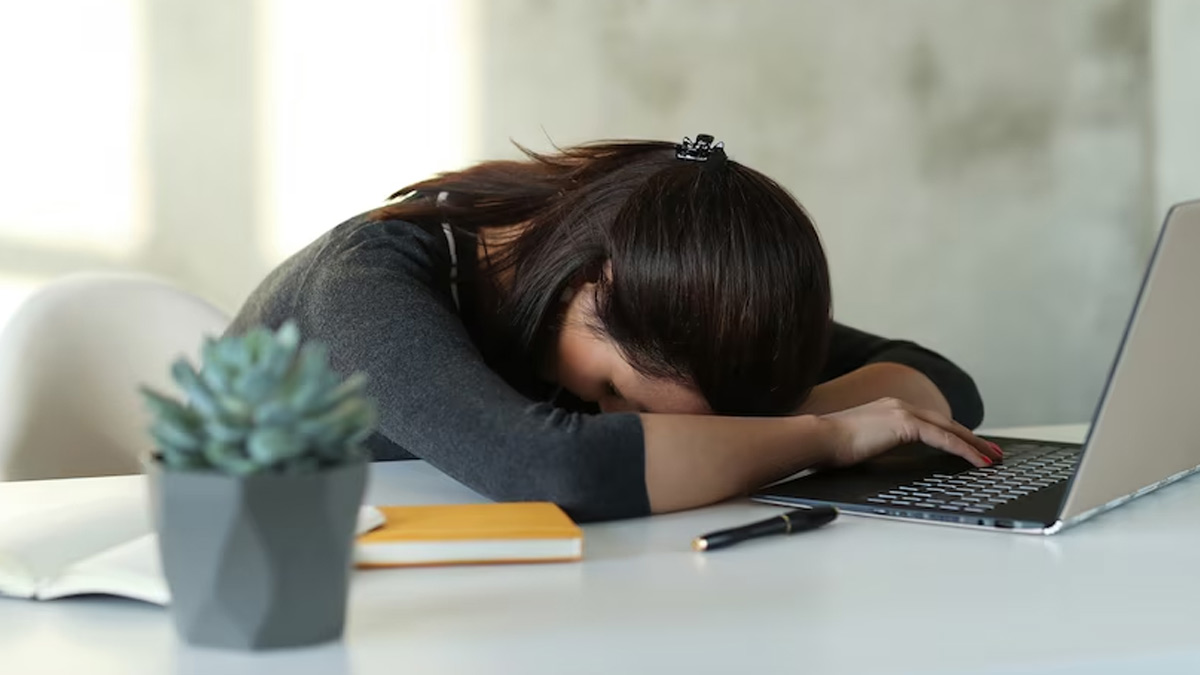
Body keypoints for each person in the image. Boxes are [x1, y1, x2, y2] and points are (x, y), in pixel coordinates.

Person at [228, 134, 998, 522]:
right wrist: (824, 435)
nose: (629, 426)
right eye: (614, 393)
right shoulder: (366, 285)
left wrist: (761, 422)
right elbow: (546, 470)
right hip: (266, 592)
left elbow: (937, 380)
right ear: (589, 281)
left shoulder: (664, 297)